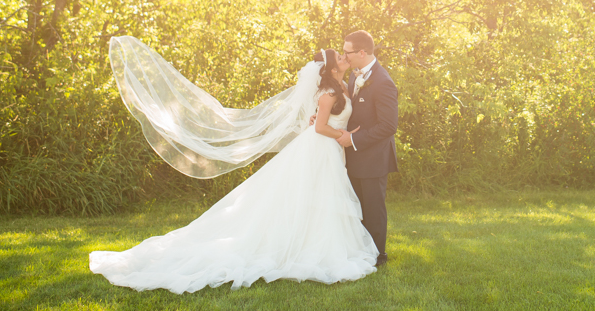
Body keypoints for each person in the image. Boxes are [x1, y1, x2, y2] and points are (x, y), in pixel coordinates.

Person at [89, 39, 379, 293]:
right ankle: (311, 248)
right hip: (321, 148)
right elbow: (319, 128)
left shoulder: (343, 84)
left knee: (316, 199)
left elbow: (316, 120)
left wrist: (336, 129)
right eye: (339, 56)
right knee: (315, 196)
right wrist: (344, 135)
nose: (344, 58)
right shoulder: (329, 92)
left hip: (327, 151)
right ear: (330, 69)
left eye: (345, 54)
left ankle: (313, 243)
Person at [337, 30, 399, 267]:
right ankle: (360, 250)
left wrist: (353, 141)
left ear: (362, 52)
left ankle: (378, 256)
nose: (345, 56)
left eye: (347, 52)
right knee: (357, 205)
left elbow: (388, 126)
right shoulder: (355, 76)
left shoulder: (383, 82)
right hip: (354, 155)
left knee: (373, 208)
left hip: (373, 157)